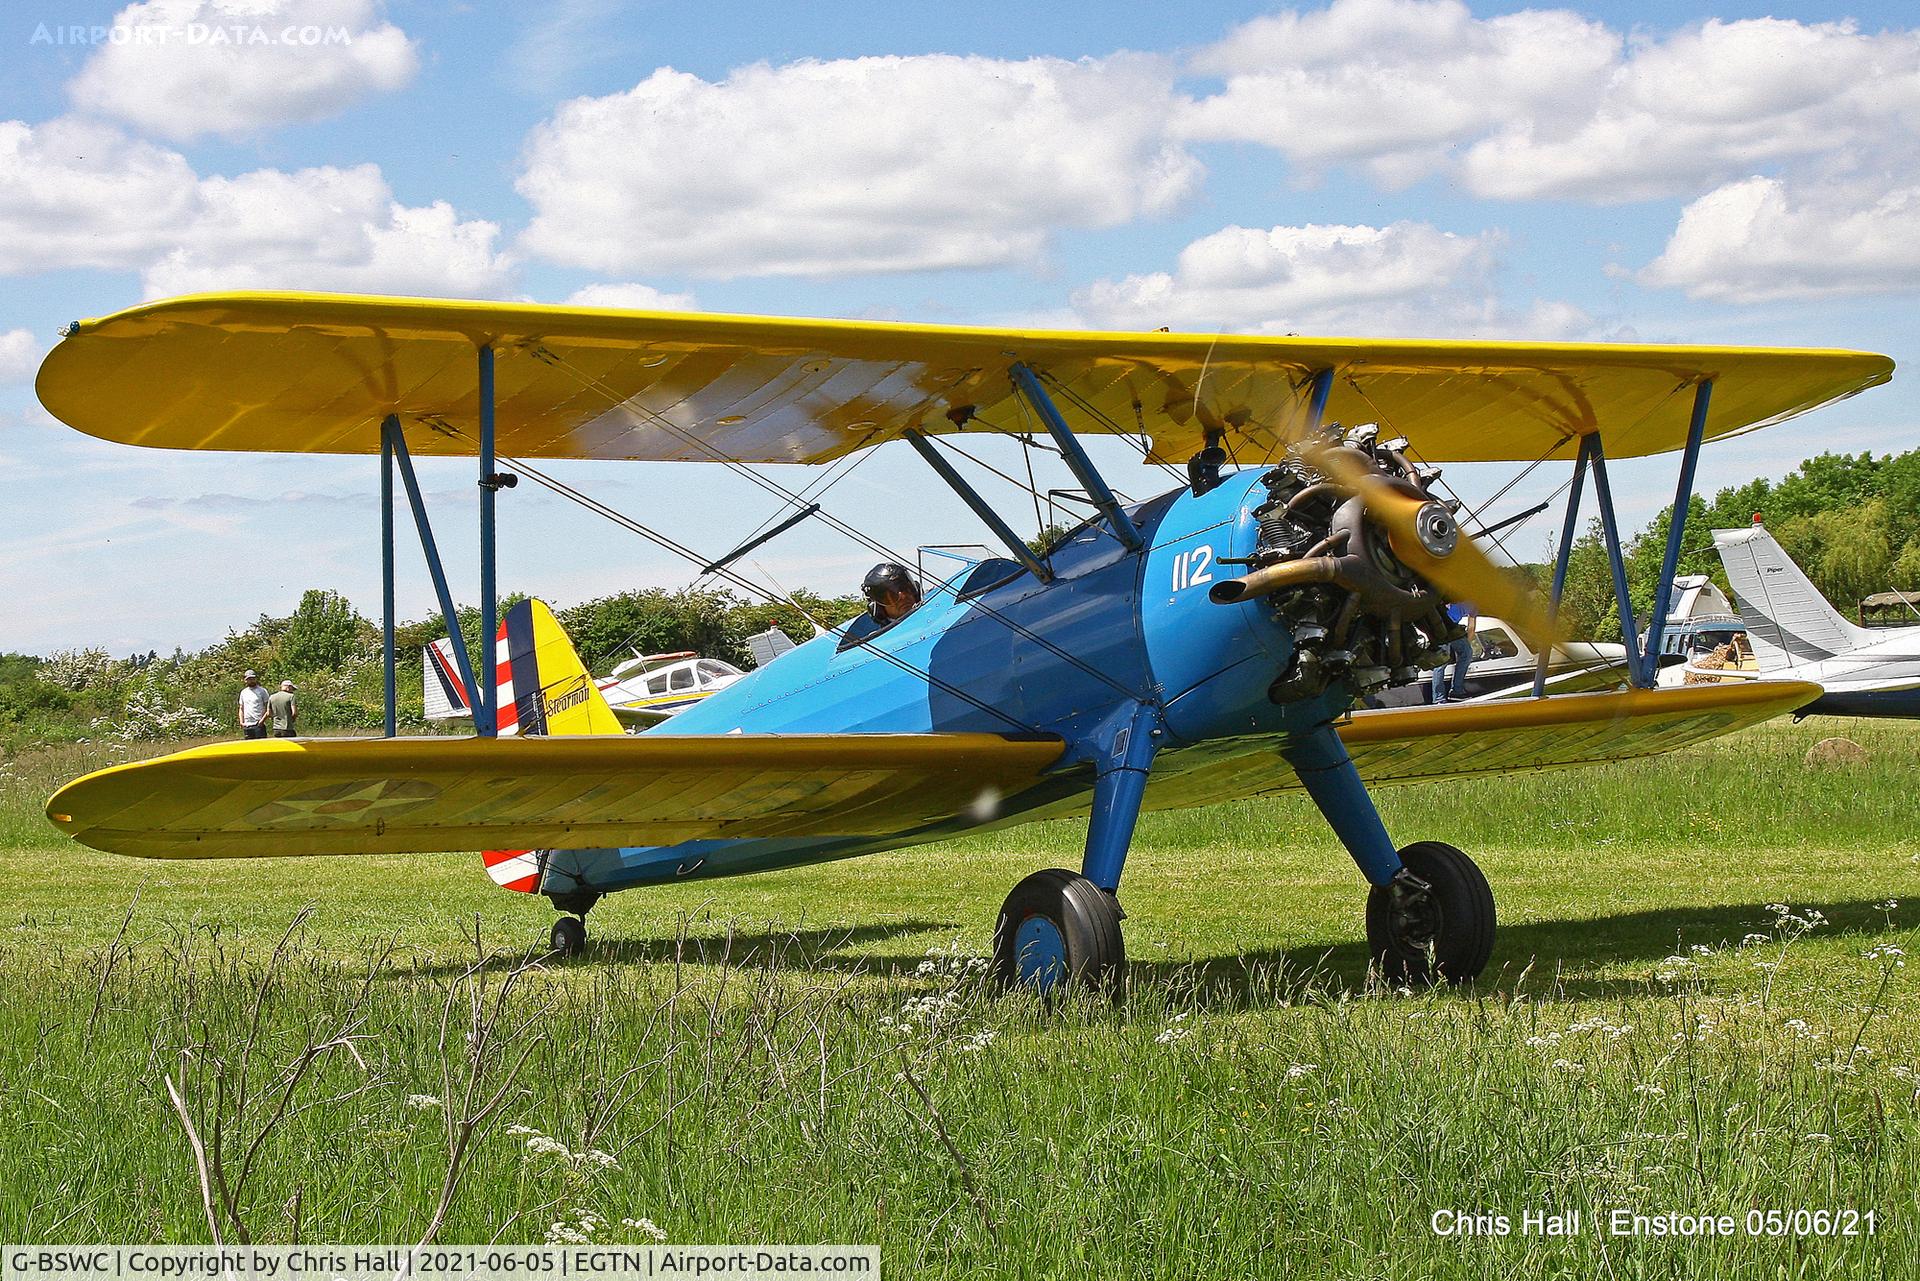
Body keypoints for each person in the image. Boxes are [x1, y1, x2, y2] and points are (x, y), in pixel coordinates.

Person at [838, 562, 923, 652]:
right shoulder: (878, 644)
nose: (903, 596)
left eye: (906, 589)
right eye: (892, 595)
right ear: (878, 608)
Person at [1429, 601, 1478, 703]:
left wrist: (1466, 645)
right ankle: (1438, 698)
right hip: (1439, 626)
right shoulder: (1456, 596)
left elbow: (1471, 627)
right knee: (1441, 662)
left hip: (1452, 627)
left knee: (1467, 653)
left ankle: (1457, 692)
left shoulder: (1475, 605)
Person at [238, 670, 270, 739]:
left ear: (256, 679)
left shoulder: (262, 691)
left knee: (261, 747)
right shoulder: (243, 692)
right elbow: (241, 708)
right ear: (245, 680)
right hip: (247, 725)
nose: (251, 681)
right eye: (249, 679)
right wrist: (241, 722)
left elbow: (267, 707)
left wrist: (262, 721)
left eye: (253, 679)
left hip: (258, 724)